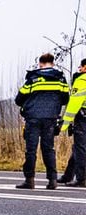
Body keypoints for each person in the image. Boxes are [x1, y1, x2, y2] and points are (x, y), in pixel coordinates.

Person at [14, 53, 70, 189]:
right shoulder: (60, 79)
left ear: (40, 64)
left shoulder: (33, 79)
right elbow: (65, 99)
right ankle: (52, 180)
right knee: (48, 149)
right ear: (53, 63)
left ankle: (29, 180)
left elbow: (19, 99)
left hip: (33, 117)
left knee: (31, 150)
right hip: (51, 118)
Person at [58, 58, 86, 186]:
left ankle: (81, 179)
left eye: (81, 66)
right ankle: (68, 175)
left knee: (80, 148)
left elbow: (74, 103)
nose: (79, 69)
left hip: (82, 118)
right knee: (78, 148)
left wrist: (64, 124)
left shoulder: (81, 80)